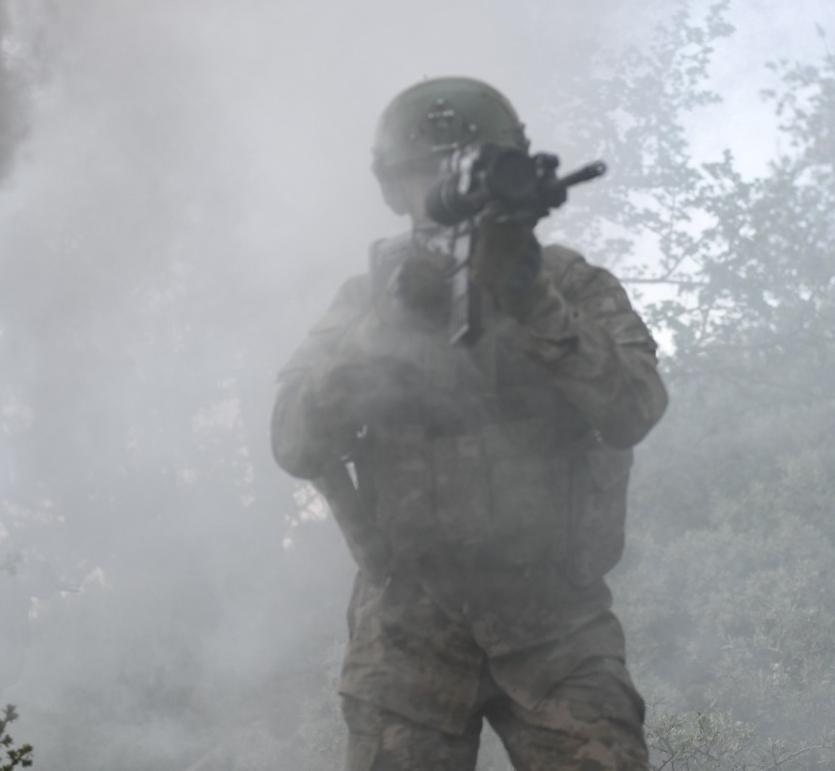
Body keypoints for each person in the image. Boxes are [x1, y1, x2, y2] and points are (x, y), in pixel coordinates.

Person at [272, 76, 667, 771]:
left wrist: (532, 298)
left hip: (556, 625)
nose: (445, 189)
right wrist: (387, 328)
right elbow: (294, 442)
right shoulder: (365, 300)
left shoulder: (569, 285)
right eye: (425, 174)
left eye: (468, 170)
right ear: (396, 191)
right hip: (407, 630)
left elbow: (634, 407)